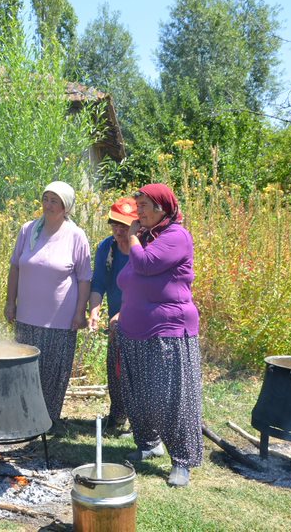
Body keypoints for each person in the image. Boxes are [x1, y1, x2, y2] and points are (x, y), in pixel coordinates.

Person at [116, 183, 202, 487]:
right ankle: (149, 444)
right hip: (133, 331)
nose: (137, 212)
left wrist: (134, 237)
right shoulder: (151, 238)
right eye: (137, 206)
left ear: (162, 209)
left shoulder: (176, 236)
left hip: (167, 330)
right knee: (139, 395)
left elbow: (146, 265)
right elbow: (130, 277)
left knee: (171, 397)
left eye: (143, 207)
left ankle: (182, 460)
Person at [5, 181, 92, 427]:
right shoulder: (28, 230)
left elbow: (85, 278)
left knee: (54, 373)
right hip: (26, 315)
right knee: (24, 370)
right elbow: (15, 267)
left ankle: (48, 421)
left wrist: (80, 312)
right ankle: (22, 418)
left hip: (60, 319)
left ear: (66, 206)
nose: (49, 204)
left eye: (55, 200)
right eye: (46, 198)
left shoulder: (76, 235)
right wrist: (10, 302)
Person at [88, 197, 137, 436]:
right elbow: (98, 283)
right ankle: (118, 416)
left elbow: (143, 288)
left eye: (125, 225)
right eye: (115, 223)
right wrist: (95, 311)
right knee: (115, 368)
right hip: (116, 323)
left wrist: (122, 313)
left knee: (136, 371)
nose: (119, 230)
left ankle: (141, 420)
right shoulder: (107, 247)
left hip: (142, 319)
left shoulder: (143, 248)